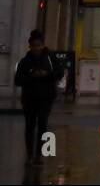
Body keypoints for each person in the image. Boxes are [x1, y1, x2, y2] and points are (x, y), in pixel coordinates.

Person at [14, 30, 64, 165]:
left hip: (46, 97)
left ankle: (39, 155)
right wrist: (32, 75)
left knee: (42, 124)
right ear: (30, 46)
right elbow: (18, 80)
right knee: (30, 126)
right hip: (30, 98)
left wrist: (45, 75)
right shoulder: (25, 61)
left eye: (39, 45)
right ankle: (30, 154)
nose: (37, 48)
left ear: (43, 45)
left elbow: (59, 73)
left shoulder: (50, 58)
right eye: (34, 46)